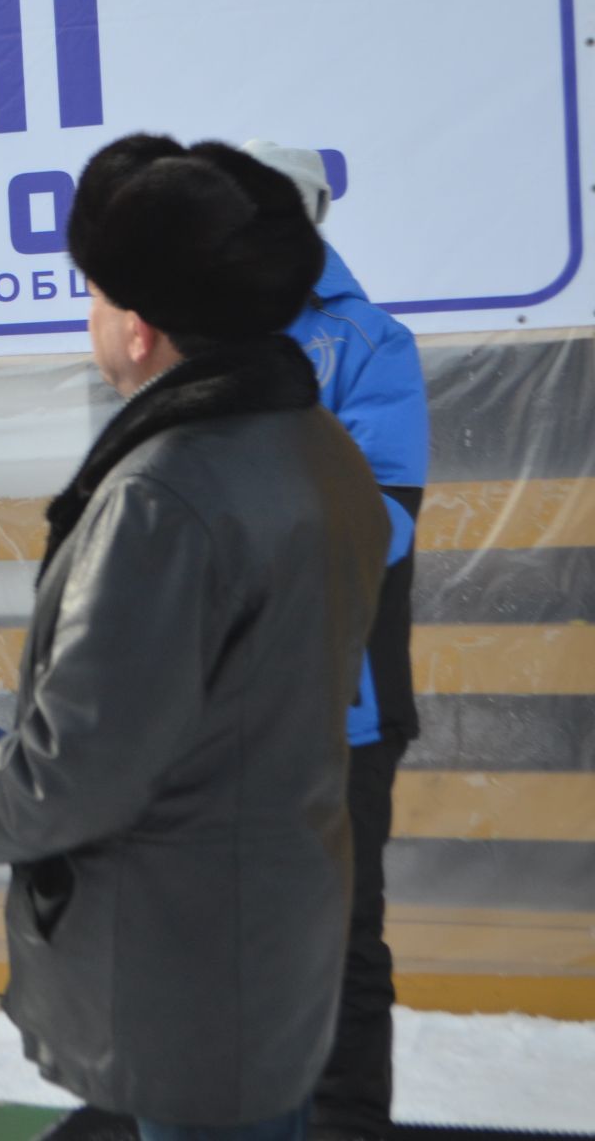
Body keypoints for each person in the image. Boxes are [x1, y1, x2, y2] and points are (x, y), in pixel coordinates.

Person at [0, 134, 390, 1140]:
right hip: (269, 938)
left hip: (189, 967)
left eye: (91, 292)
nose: (87, 314)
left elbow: (77, 772)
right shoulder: (318, 444)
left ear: (139, 330)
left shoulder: (165, 495)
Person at [243, 139, 430, 1141]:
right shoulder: (193, 336)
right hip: (217, 702)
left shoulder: (370, 343)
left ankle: (348, 1126)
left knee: (342, 937)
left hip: (339, 706)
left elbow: (385, 512)